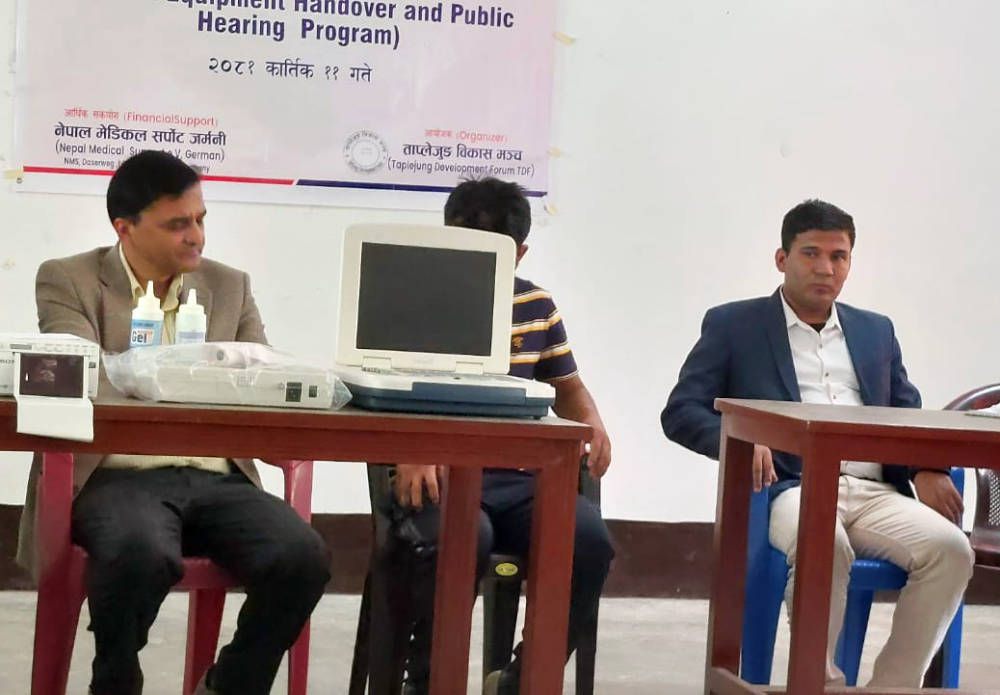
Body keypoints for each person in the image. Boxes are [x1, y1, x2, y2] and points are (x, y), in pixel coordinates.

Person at [16, 150, 330, 695]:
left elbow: (260, 377)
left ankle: (229, 684)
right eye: (177, 224)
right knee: (139, 554)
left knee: (303, 556)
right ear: (125, 228)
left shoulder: (229, 286)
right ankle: (115, 679)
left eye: (201, 219)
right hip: (116, 474)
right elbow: (82, 375)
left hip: (217, 476)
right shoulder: (69, 280)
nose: (196, 237)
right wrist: (203, 376)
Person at [661, 199, 973, 687]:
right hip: (790, 489)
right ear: (781, 259)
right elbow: (681, 411)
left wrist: (925, 469)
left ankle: (891, 687)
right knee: (824, 544)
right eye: (811, 254)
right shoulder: (734, 326)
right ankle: (817, 683)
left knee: (952, 550)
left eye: (838, 256)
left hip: (874, 493)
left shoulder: (876, 331)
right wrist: (740, 441)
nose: (825, 268)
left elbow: (905, 410)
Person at [395, 177, 614, 695]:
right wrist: (412, 448)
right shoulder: (411, 298)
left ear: (519, 253)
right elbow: (380, 386)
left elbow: (567, 387)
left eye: (493, 253)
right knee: (464, 537)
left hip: (521, 477)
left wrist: (594, 421)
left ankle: (521, 679)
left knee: (589, 543)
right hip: (438, 471)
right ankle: (426, 682)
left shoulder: (536, 305)